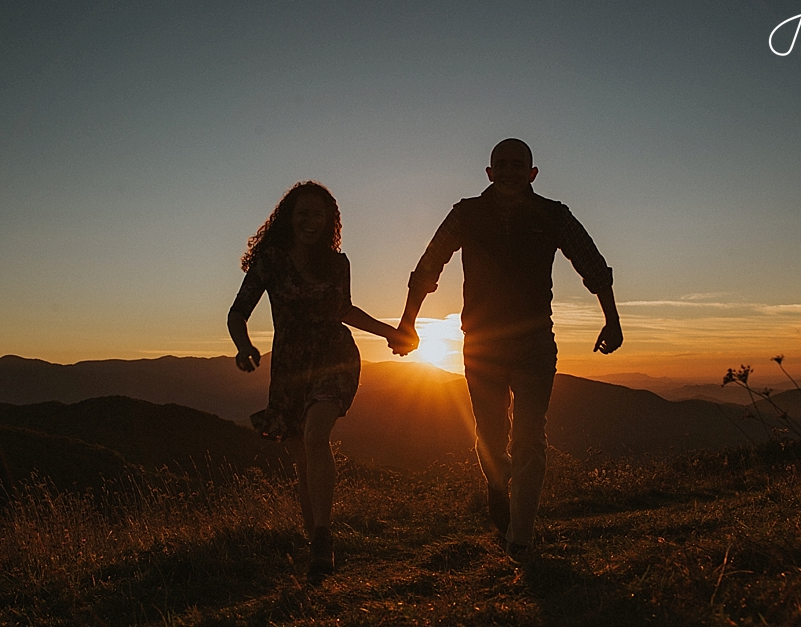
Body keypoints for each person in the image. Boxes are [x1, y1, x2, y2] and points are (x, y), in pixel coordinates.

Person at [394, 138, 623, 560]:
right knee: (491, 437)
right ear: (489, 172)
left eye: (519, 165)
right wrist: (408, 321)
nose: (510, 171)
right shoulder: (466, 214)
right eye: (502, 164)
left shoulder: (554, 215)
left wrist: (612, 318)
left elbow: (592, 263)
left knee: (530, 440)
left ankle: (520, 539)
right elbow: (429, 265)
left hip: (535, 344)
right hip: (481, 347)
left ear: (532, 173)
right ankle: (498, 489)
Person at [228, 180, 405, 584]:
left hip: (334, 357)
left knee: (314, 436)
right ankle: (317, 554)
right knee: (303, 462)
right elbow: (237, 312)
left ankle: (323, 537)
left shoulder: (336, 263)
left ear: (330, 221)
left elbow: (344, 309)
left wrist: (388, 332)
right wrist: (243, 347)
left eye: (318, 214)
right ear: (289, 217)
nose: (310, 221)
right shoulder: (270, 261)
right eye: (303, 213)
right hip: (290, 368)